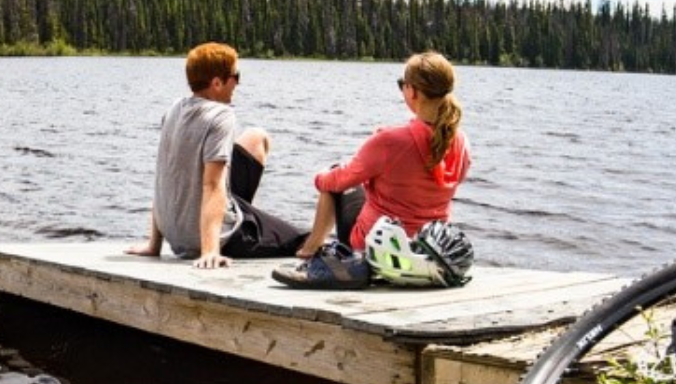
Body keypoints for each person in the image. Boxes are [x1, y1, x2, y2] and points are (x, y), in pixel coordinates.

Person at [127, 42, 307, 269]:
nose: (238, 83)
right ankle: (237, 227)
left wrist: (154, 244)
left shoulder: (174, 108)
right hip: (210, 239)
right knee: (305, 241)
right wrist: (210, 251)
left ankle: (242, 213)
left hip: (175, 235)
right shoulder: (221, 116)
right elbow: (212, 185)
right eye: (235, 76)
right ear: (217, 83)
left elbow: (164, 175)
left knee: (256, 138)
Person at [287, 50, 471, 267]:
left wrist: (319, 179)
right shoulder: (461, 142)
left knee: (333, 176)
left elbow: (340, 180)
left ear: (413, 92)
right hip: (427, 248)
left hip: (375, 245)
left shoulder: (389, 140)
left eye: (403, 84)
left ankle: (309, 250)